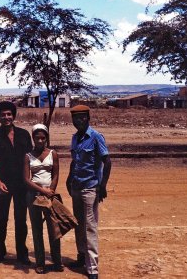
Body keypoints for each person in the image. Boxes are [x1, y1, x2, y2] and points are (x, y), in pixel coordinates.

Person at [66, 105, 112, 279]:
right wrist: (69, 178)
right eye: (75, 118)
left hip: (90, 187)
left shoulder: (95, 137)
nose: (78, 120)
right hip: (76, 187)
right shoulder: (75, 138)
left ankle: (92, 268)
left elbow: (107, 162)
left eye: (82, 117)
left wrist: (103, 185)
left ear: (88, 118)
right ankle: (81, 256)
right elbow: (74, 161)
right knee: (78, 223)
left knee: (90, 227)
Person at [0, 101, 33, 266]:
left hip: (22, 183)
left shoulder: (24, 134)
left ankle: (22, 253)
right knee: (1, 219)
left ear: (14, 115)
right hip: (3, 183)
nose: (6, 117)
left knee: (21, 219)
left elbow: (30, 159)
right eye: (3, 114)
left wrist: (29, 181)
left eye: (9, 114)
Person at [23, 123, 63, 274]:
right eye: (37, 138)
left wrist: (51, 190)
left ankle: (57, 261)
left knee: (54, 229)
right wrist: (42, 191)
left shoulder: (53, 154)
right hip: (33, 196)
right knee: (37, 229)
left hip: (50, 196)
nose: (40, 141)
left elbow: (56, 174)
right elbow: (26, 179)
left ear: (46, 138)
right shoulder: (28, 156)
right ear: (33, 138)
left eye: (43, 138)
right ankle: (40, 262)